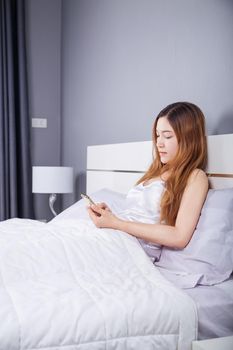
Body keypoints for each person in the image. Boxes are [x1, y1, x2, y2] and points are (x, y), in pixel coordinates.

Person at [87, 102, 209, 254]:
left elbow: (179, 237)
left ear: (189, 138)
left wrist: (117, 223)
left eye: (167, 136)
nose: (159, 143)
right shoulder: (156, 172)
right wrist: (111, 217)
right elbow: (138, 214)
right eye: (157, 135)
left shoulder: (196, 176)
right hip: (116, 236)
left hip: (129, 248)